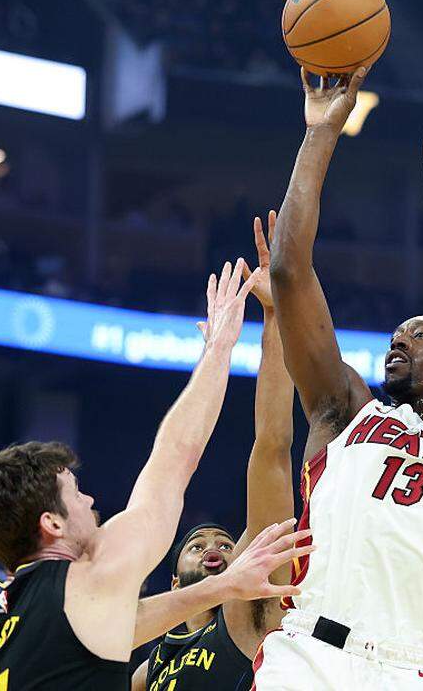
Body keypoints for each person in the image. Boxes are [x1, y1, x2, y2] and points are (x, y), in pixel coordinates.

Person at [255, 57, 423, 690]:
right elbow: (291, 270)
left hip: (408, 668)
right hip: (307, 654)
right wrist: (321, 131)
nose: (400, 338)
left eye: (420, 335)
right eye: (397, 333)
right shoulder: (345, 409)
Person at [0, 259, 312, 691]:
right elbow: (174, 457)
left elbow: (114, 626)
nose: (90, 502)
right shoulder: (90, 580)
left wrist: (220, 588)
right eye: (75, 495)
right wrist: (218, 352)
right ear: (51, 523)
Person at [132, 212, 297, 690]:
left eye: (226, 545)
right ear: (174, 583)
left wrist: (275, 317)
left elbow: (272, 445)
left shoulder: (246, 615)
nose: (214, 550)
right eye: (198, 545)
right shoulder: (150, 668)